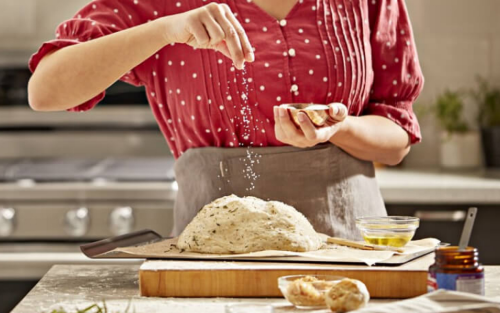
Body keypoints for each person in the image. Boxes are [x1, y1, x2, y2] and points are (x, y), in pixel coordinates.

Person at [28, 0, 424, 240]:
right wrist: (167, 29)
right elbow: (45, 90)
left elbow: (397, 136)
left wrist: (342, 128)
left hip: (351, 252)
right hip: (209, 262)